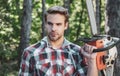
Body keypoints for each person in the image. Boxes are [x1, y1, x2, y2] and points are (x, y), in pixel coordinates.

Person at [18, 6, 98, 76]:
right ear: (45, 24)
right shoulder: (30, 52)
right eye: (50, 24)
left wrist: (92, 60)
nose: (53, 29)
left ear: (65, 25)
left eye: (58, 24)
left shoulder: (76, 52)